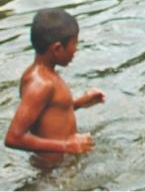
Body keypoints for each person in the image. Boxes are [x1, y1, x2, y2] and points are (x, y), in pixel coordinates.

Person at [5, 8, 105, 165]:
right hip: (50, 174)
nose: (76, 50)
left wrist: (80, 103)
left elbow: (49, 112)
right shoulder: (40, 84)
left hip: (59, 167)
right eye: (74, 44)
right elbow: (13, 138)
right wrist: (67, 145)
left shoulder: (46, 75)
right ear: (57, 49)